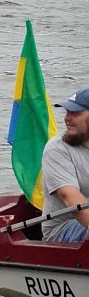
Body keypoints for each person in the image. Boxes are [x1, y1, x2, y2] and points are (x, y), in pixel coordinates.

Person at [40, 86, 89, 243]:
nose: (67, 118)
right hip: (62, 229)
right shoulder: (57, 149)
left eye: (75, 113)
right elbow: (71, 199)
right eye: (67, 112)